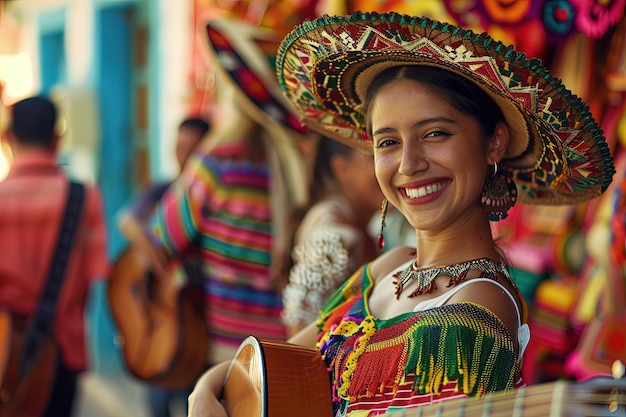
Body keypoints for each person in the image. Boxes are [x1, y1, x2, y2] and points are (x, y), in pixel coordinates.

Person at [187, 11, 616, 416]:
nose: (409, 164)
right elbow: (275, 364)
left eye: (435, 134)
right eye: (388, 142)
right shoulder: (385, 269)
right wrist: (205, 388)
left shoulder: (476, 305)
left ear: (494, 144)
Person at [144, 16, 313, 369]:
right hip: (290, 347)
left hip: (229, 351)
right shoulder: (302, 161)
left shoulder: (218, 162)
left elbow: (163, 236)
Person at [0, 96, 109, 416]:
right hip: (62, 348)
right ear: (57, 138)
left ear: (9, 137)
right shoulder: (84, 197)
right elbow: (94, 274)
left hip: (3, 353)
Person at [116, 116, 209, 417]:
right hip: (163, 314)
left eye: (192, 149)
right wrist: (150, 249)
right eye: (179, 146)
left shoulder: (209, 196)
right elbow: (127, 220)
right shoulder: (162, 189)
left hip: (198, 320)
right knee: (158, 399)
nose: (183, 155)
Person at [282, 135, 383, 336]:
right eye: (374, 157)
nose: (390, 167)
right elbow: (300, 318)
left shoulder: (354, 220)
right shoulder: (334, 229)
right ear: (342, 169)